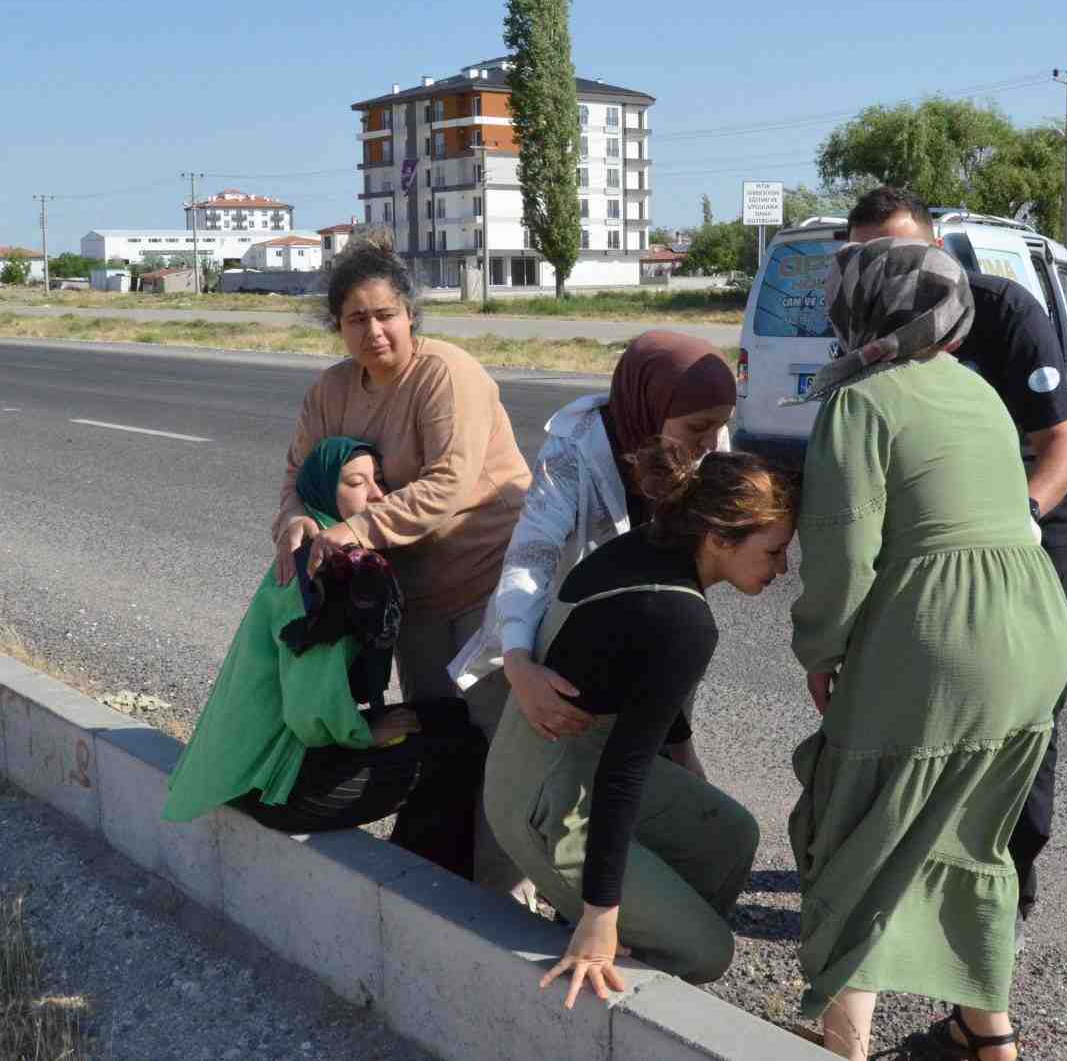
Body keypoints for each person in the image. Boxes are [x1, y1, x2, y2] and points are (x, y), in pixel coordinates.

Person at [789, 239, 1067, 1059]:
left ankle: (842, 1047)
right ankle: (991, 1041)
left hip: (943, 633)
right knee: (968, 837)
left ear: (859, 310)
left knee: (857, 838)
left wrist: (821, 650)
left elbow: (843, 554)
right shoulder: (976, 389)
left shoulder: (862, 402)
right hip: (1034, 623)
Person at [846, 187, 1067, 932]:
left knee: (1021, 706)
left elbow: (1064, 448)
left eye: (894, 254)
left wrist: (1012, 523)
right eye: (861, 259)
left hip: (1031, 521)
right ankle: (904, 853)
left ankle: (1011, 876)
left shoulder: (1006, 313)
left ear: (939, 250)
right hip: (932, 530)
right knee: (915, 689)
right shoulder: (865, 321)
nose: (878, 273)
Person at [484, 440, 794, 1009]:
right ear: (720, 536)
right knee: (709, 952)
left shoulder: (654, 549)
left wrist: (684, 751)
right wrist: (603, 917)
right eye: (774, 552)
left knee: (731, 837)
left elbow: (636, 666)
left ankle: (635, 932)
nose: (783, 569)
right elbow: (623, 777)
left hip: (578, 757)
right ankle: (601, 952)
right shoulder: (684, 619)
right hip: (543, 796)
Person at [270, 238, 532, 893]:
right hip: (412, 598)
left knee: (506, 749)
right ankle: (454, 886)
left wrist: (354, 527)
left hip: (490, 582)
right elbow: (298, 479)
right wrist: (295, 525)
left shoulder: (447, 373)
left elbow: (447, 482)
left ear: (410, 313)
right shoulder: (331, 391)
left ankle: (510, 902)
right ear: (338, 326)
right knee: (440, 740)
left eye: (385, 313)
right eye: (356, 319)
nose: (374, 330)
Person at [165, 437, 486, 879]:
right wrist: (364, 734)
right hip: (276, 784)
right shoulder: (330, 570)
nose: (376, 496)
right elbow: (307, 708)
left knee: (449, 718)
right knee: (458, 750)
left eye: (379, 482)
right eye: (357, 483)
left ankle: (424, 872)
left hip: (256, 767)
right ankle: (430, 891)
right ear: (323, 492)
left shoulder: (308, 547)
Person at [450, 330, 737, 774]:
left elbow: (683, 594)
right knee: (539, 791)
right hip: (559, 650)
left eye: (720, 426)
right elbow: (531, 559)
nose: (711, 443)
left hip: (641, 638)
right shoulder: (574, 452)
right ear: (651, 405)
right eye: (698, 428)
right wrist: (520, 666)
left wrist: (681, 740)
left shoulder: (708, 447)